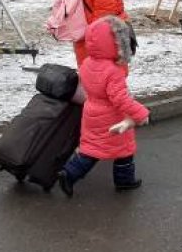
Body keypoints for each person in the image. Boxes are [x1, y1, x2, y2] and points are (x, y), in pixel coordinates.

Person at [58, 16, 150, 197]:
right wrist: (140, 113)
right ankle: (124, 181)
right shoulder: (113, 71)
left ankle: (69, 173)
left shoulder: (87, 63)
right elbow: (120, 99)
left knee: (91, 149)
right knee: (124, 150)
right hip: (112, 117)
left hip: (91, 111)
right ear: (116, 43)